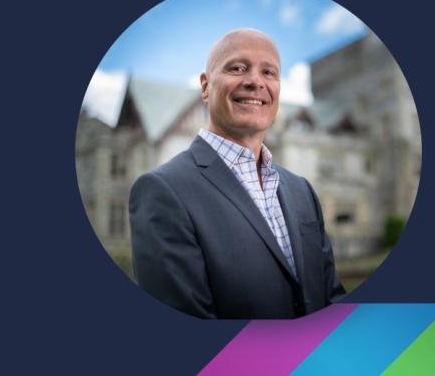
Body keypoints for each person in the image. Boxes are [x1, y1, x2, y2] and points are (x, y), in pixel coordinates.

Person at [129, 28, 345, 319]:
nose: (255, 81)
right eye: (237, 68)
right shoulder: (163, 191)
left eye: (269, 72)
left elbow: (332, 300)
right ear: (206, 87)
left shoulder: (301, 190)